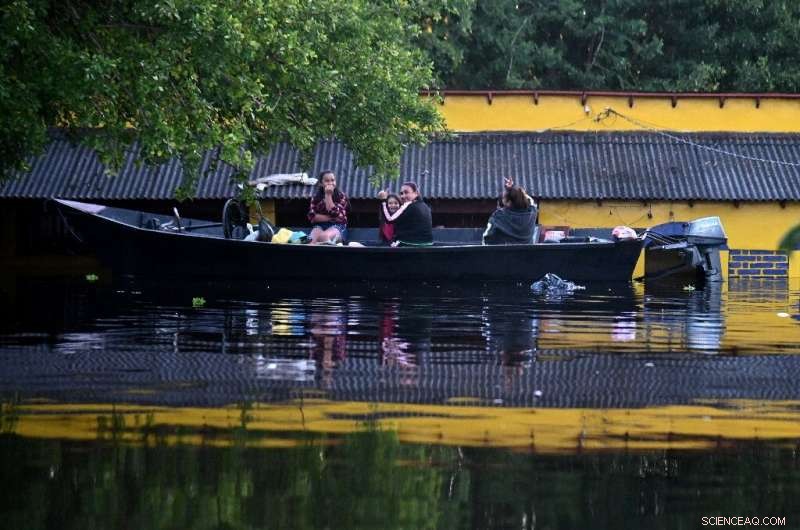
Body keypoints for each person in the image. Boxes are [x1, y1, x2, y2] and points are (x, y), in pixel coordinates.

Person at [482, 177, 538, 245]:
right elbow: (530, 200)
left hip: (503, 254)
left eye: (504, 197)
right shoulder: (532, 212)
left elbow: (486, 237)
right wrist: (514, 189)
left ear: (509, 202)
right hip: (526, 254)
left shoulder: (499, 216)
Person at [377, 182, 433, 246]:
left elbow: (389, 220)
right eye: (401, 193)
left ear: (416, 193)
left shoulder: (408, 204)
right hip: (428, 243)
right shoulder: (425, 205)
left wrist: (383, 201)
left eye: (406, 192)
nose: (403, 196)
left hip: (411, 244)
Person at [307, 170, 349, 244]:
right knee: (310, 241)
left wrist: (328, 195)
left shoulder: (341, 196)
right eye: (327, 181)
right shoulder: (316, 198)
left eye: (332, 180)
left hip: (338, 226)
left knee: (323, 237)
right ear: (321, 183)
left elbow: (336, 214)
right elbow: (312, 217)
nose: (330, 183)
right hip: (319, 226)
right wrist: (333, 218)